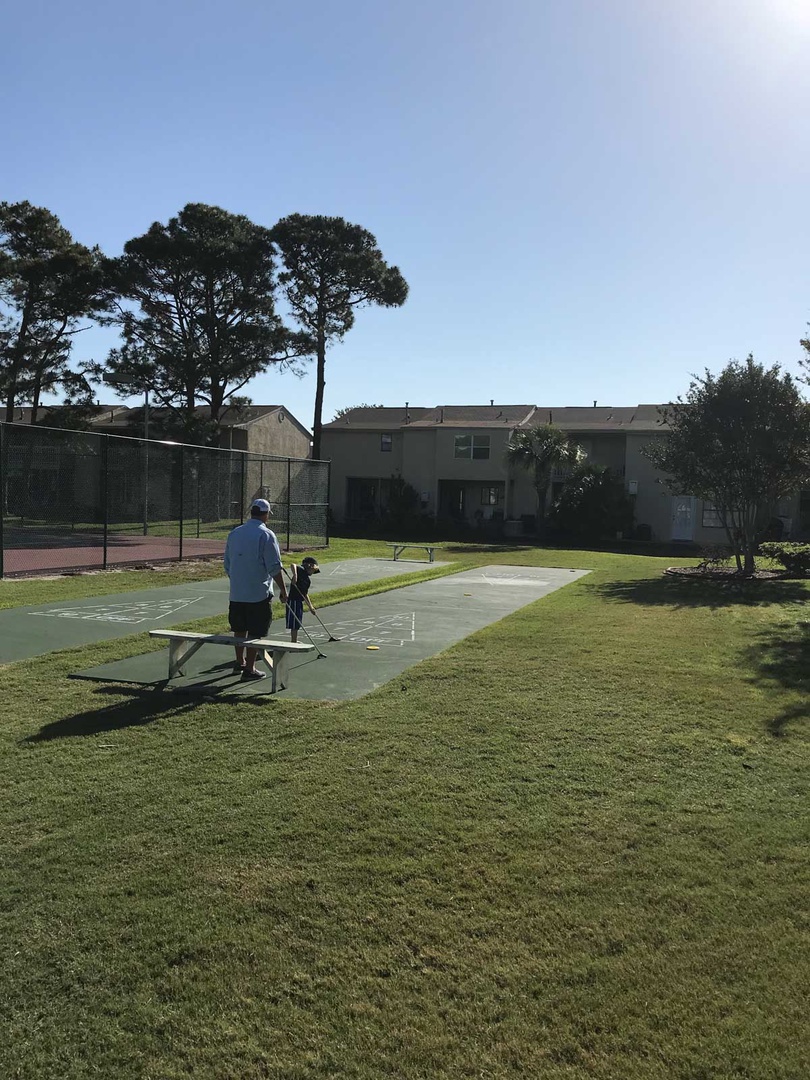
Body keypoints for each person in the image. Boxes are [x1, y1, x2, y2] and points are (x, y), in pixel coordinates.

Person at [223, 498, 288, 681]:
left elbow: (227, 564)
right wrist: (283, 590)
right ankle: (250, 668)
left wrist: (239, 580)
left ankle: (239, 661)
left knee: (239, 628)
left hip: (236, 593)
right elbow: (274, 566)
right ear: (265, 514)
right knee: (255, 632)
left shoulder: (235, 533)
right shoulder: (266, 535)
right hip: (258, 594)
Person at [285, 556, 320, 642]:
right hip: (293, 601)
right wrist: (295, 575)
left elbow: (305, 594)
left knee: (297, 622)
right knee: (294, 622)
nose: (313, 572)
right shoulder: (300, 571)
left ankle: (295, 640)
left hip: (299, 602)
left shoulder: (307, 580)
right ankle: (293, 641)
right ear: (309, 566)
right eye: (314, 570)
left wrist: (310, 606)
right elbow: (293, 565)